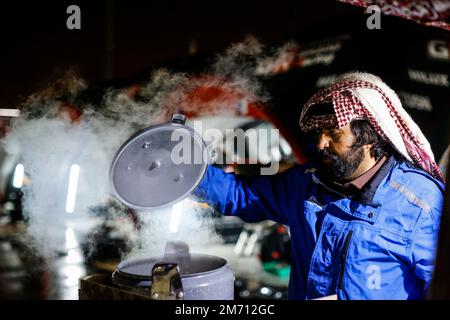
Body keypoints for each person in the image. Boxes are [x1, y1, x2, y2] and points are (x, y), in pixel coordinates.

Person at [193, 72, 445, 300]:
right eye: (319, 133)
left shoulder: (421, 204)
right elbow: (238, 194)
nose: (321, 143)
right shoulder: (306, 183)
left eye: (334, 133)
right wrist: (186, 176)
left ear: (368, 136)